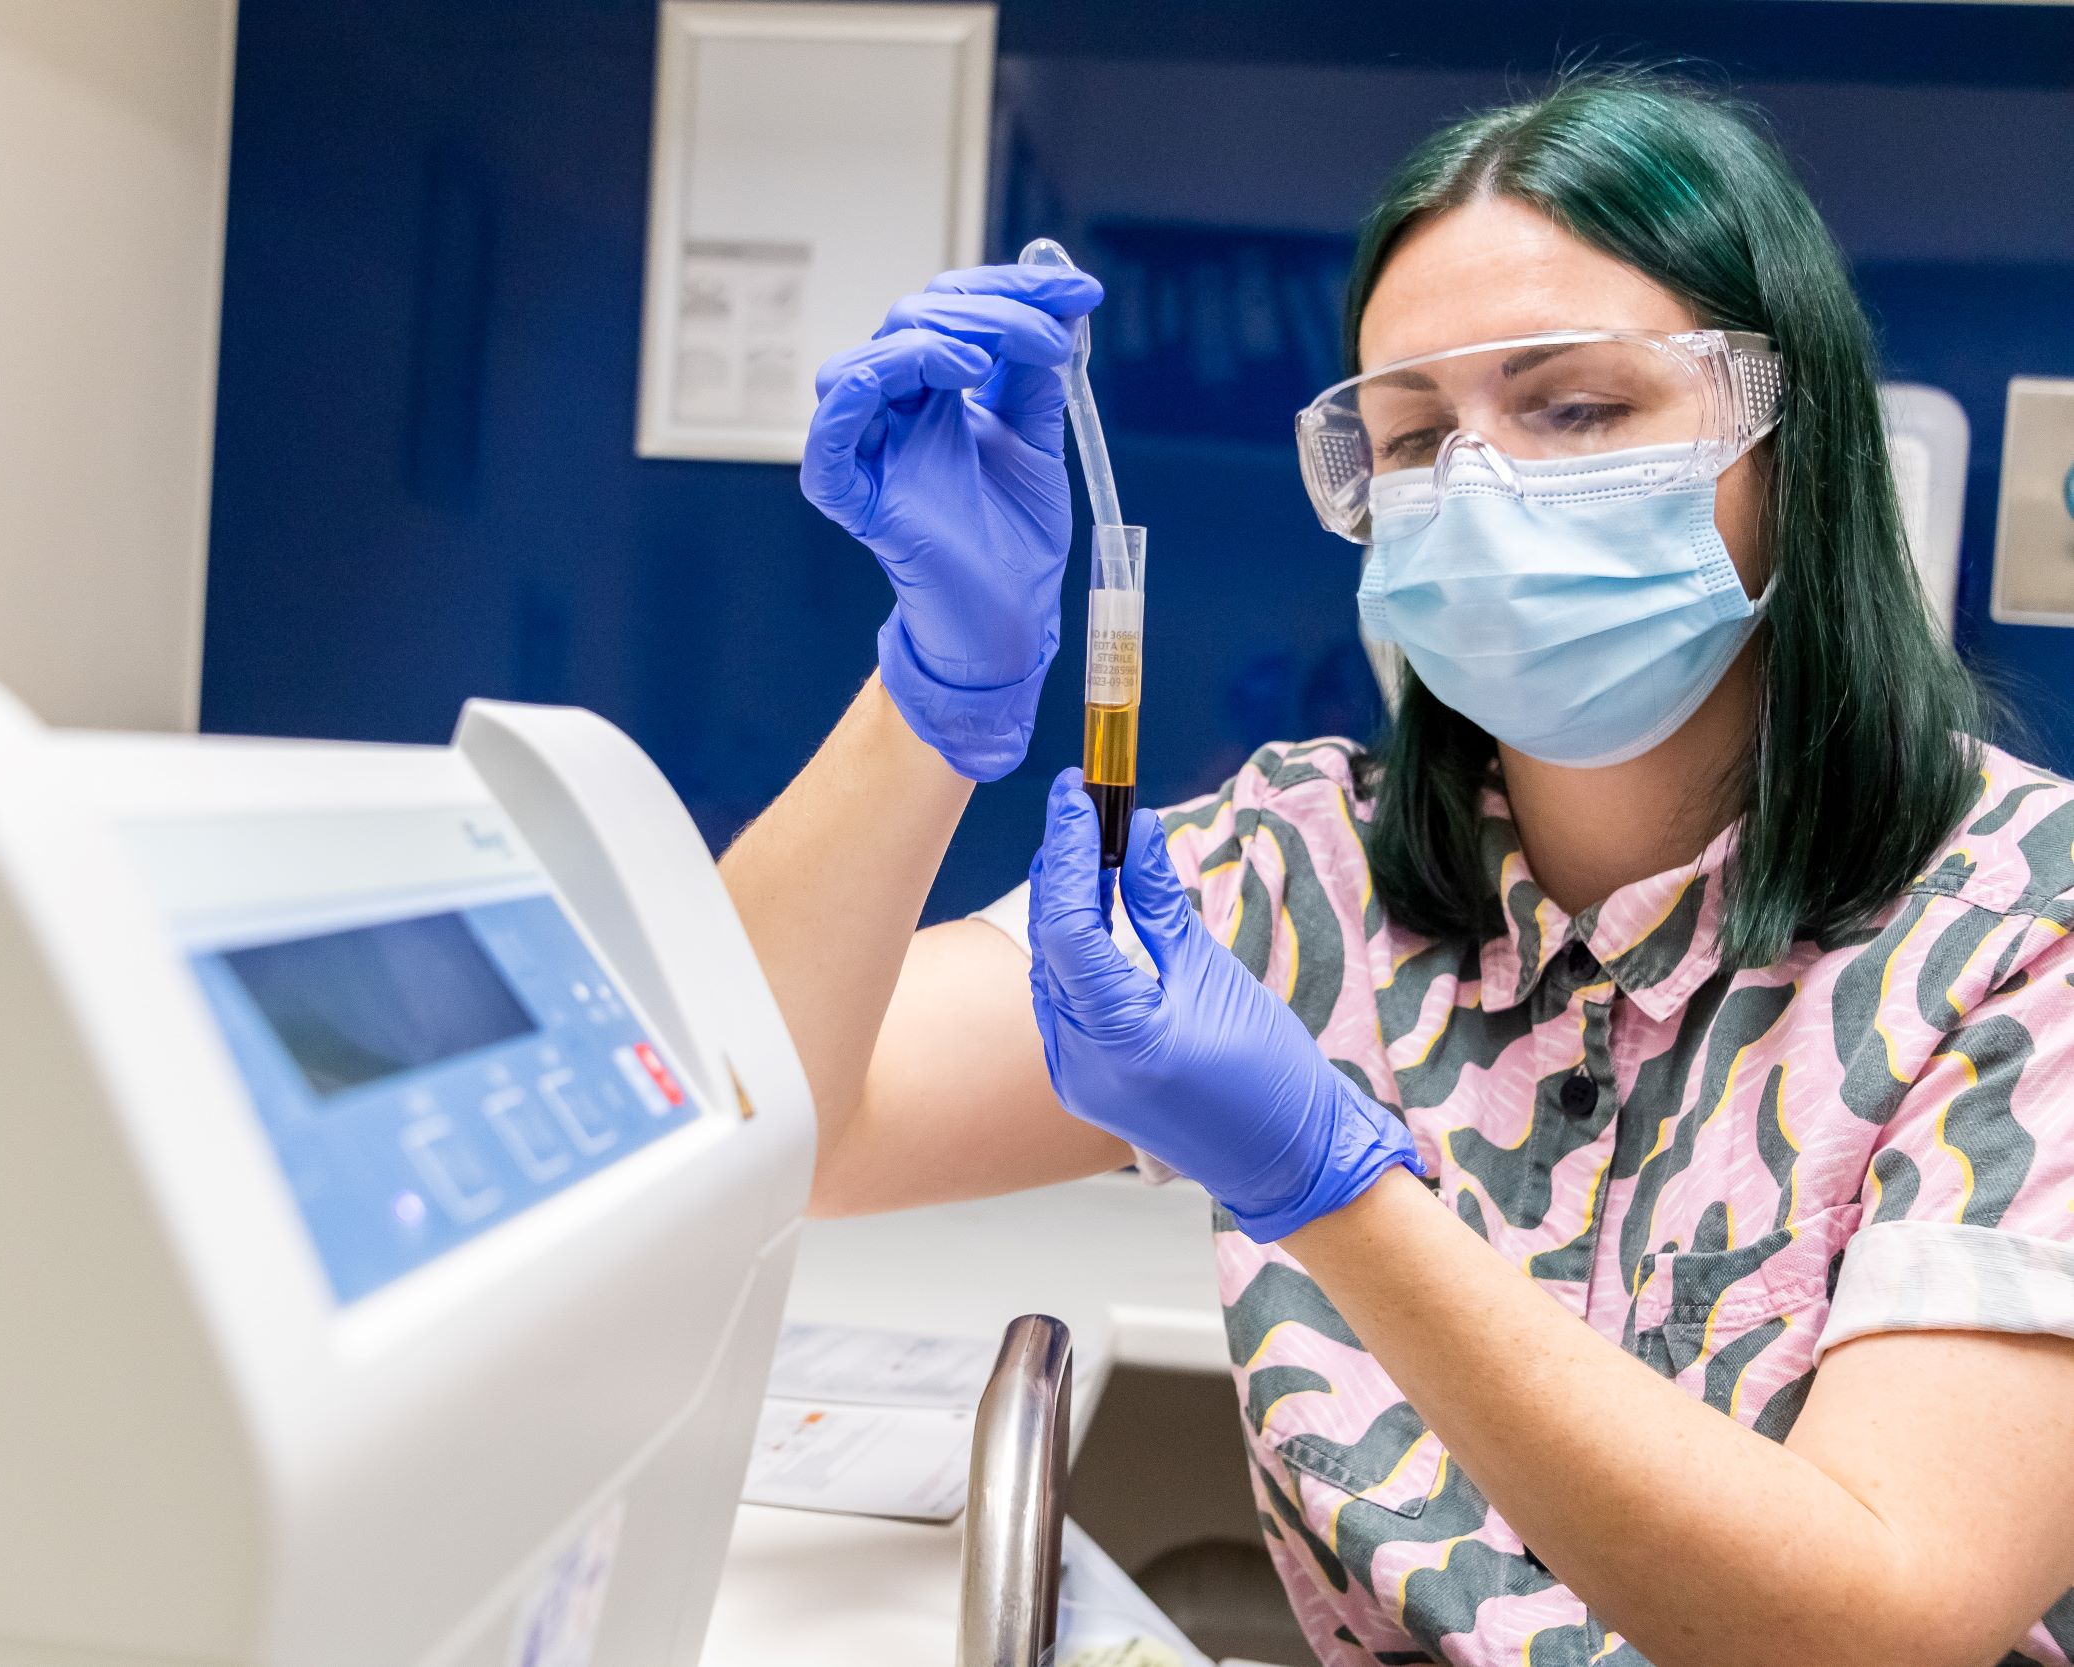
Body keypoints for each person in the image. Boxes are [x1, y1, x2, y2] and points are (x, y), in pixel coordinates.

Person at [719, 72, 2074, 1667]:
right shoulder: (1298, 875)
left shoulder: (2016, 925)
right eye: (1415, 437)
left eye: (1575, 408)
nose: (1479, 489)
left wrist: (1333, 1186)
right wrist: (935, 693)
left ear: (1794, 439)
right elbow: (767, 1118)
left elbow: (1886, 1625)